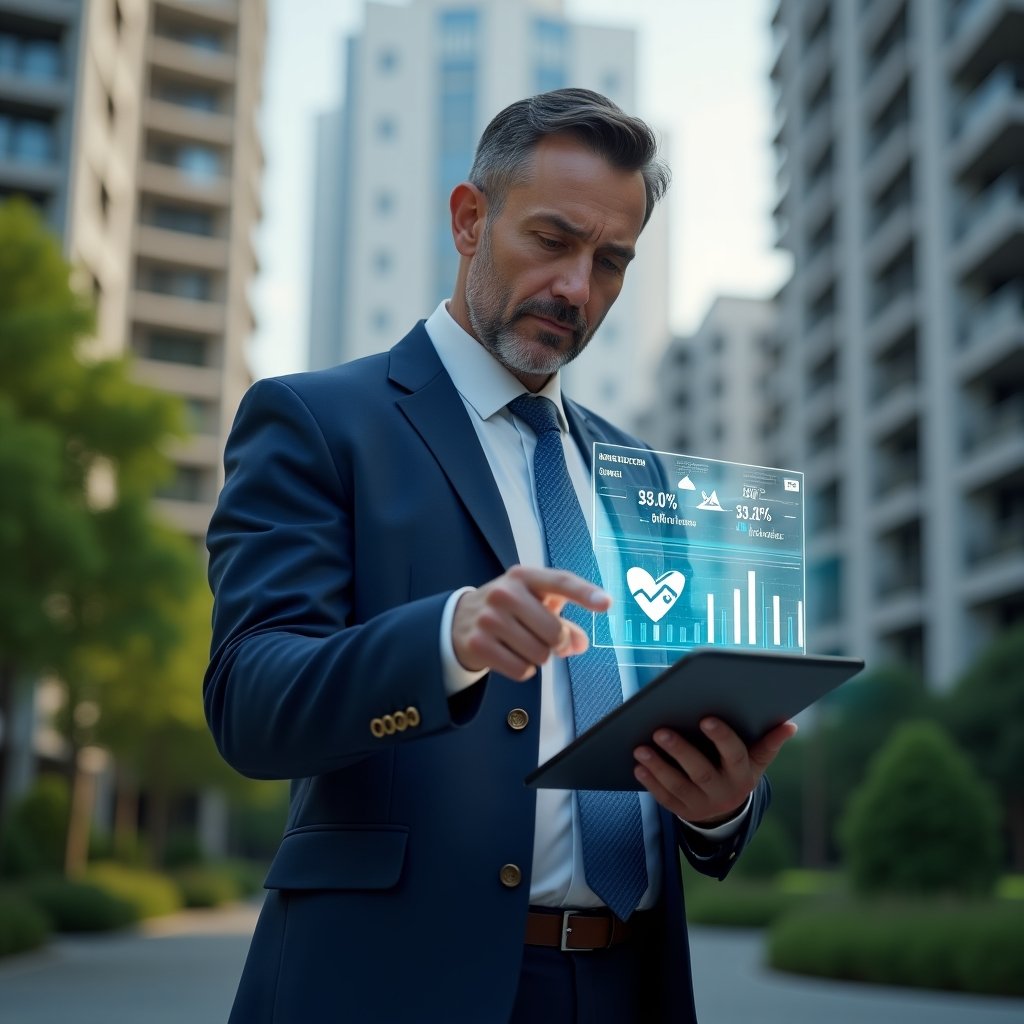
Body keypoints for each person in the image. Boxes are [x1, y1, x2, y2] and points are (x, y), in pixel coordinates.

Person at [205, 87, 796, 1024]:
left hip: (625, 987)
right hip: (394, 986)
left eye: (611, 262)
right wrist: (447, 638)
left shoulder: (640, 474)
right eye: (553, 241)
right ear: (470, 219)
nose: (577, 287)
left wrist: (718, 803)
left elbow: (678, 730)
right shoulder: (317, 421)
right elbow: (251, 702)